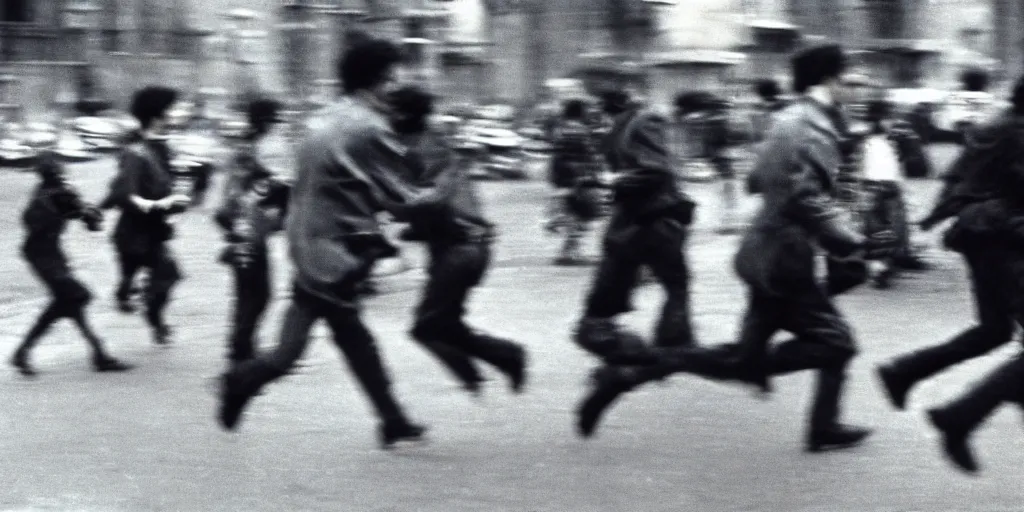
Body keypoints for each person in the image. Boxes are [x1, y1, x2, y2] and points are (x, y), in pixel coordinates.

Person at [576, 45, 898, 452]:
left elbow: (756, 180)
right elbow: (804, 198)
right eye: (851, 81)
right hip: (783, 260)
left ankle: (822, 425)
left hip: (766, 252)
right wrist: (852, 237)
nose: (858, 90)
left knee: (758, 354)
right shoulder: (809, 127)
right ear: (828, 80)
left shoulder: (792, 120)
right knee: (834, 344)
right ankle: (815, 420)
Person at [217, 39, 438, 449]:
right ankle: (241, 379)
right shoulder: (367, 128)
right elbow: (404, 195)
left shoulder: (327, 118)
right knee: (295, 350)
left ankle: (392, 419)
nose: (396, 87)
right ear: (373, 82)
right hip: (335, 255)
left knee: (354, 340)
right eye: (392, 80)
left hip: (314, 245)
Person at [878, 78, 1024, 471]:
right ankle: (959, 417)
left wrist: (942, 213)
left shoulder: (1000, 124)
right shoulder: (1014, 131)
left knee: (993, 330)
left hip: (985, 237)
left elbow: (958, 180)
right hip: (1002, 240)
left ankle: (904, 371)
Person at [388, 85, 528, 395]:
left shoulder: (424, 148)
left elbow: (432, 199)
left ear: (403, 114)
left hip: (462, 249)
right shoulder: (418, 143)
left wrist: (392, 206)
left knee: (426, 327)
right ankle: (491, 366)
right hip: (460, 248)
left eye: (389, 110)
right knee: (445, 324)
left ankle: (501, 360)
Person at [571, 88, 697, 363]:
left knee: (674, 289)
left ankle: (658, 355)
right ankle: (652, 357)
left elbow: (656, 171)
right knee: (601, 313)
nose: (594, 115)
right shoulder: (616, 129)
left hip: (654, 222)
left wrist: (610, 181)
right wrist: (600, 183)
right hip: (633, 225)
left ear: (610, 104)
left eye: (597, 107)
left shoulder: (643, 122)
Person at [10, 152, 133, 376]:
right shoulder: (61, 194)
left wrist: (84, 211)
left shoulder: (41, 194)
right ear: (59, 172)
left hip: (42, 256)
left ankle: (98, 354)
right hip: (48, 259)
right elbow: (92, 223)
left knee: (71, 303)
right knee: (78, 296)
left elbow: (78, 215)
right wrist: (91, 212)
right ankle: (24, 351)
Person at [101, 86, 191, 345]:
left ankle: (147, 308)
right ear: (156, 117)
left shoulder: (160, 147)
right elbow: (125, 193)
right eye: (170, 112)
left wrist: (181, 192)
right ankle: (144, 307)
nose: (174, 117)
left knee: (167, 275)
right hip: (134, 232)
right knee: (163, 272)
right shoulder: (136, 151)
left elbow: (168, 182)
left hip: (153, 231)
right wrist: (166, 202)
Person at [214, 97, 290, 367]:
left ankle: (242, 348)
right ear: (267, 122)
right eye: (276, 120)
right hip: (247, 232)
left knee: (247, 295)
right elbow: (244, 193)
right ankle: (240, 352)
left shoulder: (247, 148)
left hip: (245, 231)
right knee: (259, 294)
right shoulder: (250, 151)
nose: (279, 126)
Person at [858, 99, 932, 289]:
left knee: (894, 226)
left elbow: (897, 165)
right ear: (878, 118)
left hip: (888, 187)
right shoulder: (866, 138)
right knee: (877, 229)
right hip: (873, 187)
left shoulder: (889, 139)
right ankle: (879, 268)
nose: (892, 122)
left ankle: (891, 261)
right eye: (888, 118)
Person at [546, 99, 604, 265]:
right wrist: (593, 173)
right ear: (579, 112)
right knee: (583, 214)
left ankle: (568, 251)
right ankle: (568, 253)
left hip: (565, 179)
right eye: (586, 110)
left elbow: (558, 157)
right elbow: (587, 155)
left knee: (576, 215)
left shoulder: (562, 128)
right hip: (577, 179)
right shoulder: (577, 130)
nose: (589, 113)